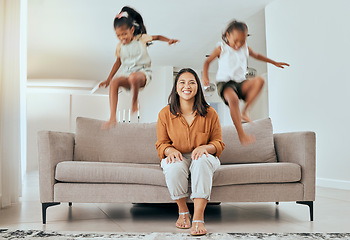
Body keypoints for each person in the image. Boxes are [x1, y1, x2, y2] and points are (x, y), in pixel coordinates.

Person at [155, 68, 225, 236]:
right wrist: (170, 150)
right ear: (176, 87)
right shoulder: (165, 114)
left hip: (205, 157)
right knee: (173, 166)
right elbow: (161, 144)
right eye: (182, 82)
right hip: (178, 156)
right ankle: (183, 211)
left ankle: (199, 217)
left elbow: (218, 143)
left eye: (192, 82)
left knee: (201, 161)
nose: (187, 86)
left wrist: (204, 148)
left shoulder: (210, 113)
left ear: (198, 87)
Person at [203, 20, 289, 145]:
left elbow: (258, 56)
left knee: (259, 80)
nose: (238, 45)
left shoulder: (245, 49)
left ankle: (245, 111)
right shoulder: (222, 48)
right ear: (228, 36)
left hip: (240, 83)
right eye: (235, 41)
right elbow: (207, 62)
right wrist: (205, 76)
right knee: (234, 100)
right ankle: (241, 134)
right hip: (225, 83)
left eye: (242, 41)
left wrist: (274, 62)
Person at [99, 6, 179, 128]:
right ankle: (112, 117)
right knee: (115, 82)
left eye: (124, 34)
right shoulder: (120, 46)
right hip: (127, 74)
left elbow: (157, 37)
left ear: (132, 30)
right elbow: (118, 62)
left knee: (133, 77)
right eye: (118, 36)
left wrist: (168, 40)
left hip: (143, 73)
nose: (122, 38)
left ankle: (135, 102)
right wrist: (109, 79)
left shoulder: (141, 38)